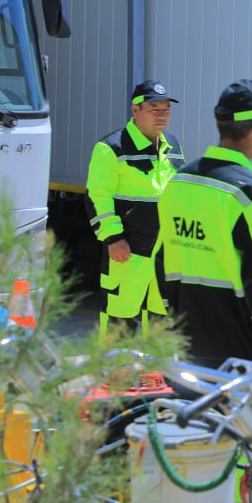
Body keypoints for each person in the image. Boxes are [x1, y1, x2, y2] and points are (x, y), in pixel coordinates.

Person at [154, 80, 252, 380]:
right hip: (243, 350)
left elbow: (161, 259)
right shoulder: (251, 193)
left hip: (190, 343)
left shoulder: (178, 183)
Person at [86, 79, 184, 337]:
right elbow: (97, 197)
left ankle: (159, 365)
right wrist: (113, 238)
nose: (162, 116)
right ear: (135, 110)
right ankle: (115, 365)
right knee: (120, 321)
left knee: (163, 323)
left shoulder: (173, 144)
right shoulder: (111, 148)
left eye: (166, 109)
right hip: (129, 252)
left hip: (166, 253)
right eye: (154, 109)